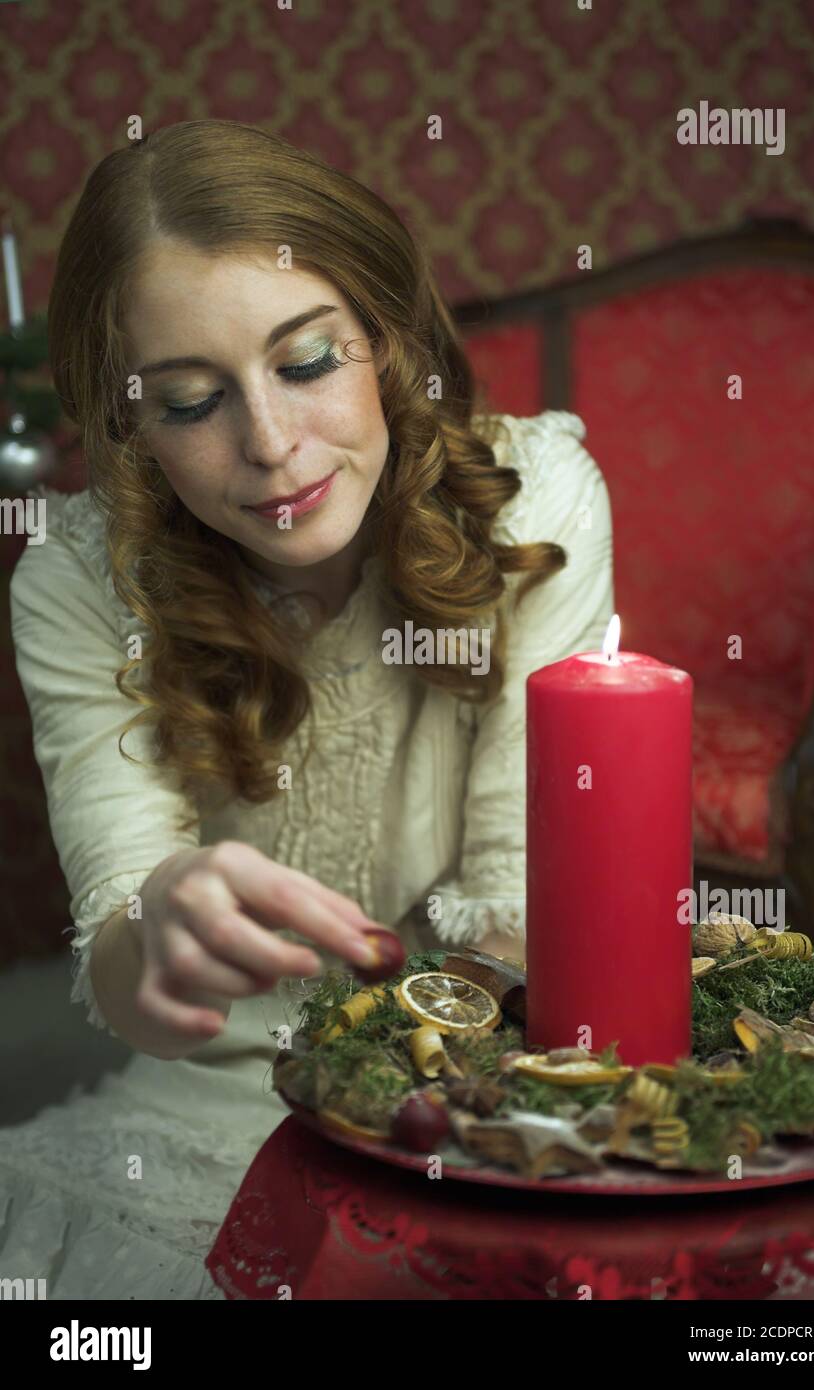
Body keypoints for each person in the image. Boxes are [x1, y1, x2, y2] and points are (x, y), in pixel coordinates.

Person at [0, 120, 613, 1299]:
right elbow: (136, 990)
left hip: (477, 1075)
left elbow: (518, 907)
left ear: (385, 335)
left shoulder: (539, 501)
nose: (272, 447)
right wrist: (156, 930)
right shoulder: (77, 582)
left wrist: (392, 1105)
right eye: (189, 403)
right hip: (206, 1098)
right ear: (130, 430)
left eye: (307, 362)